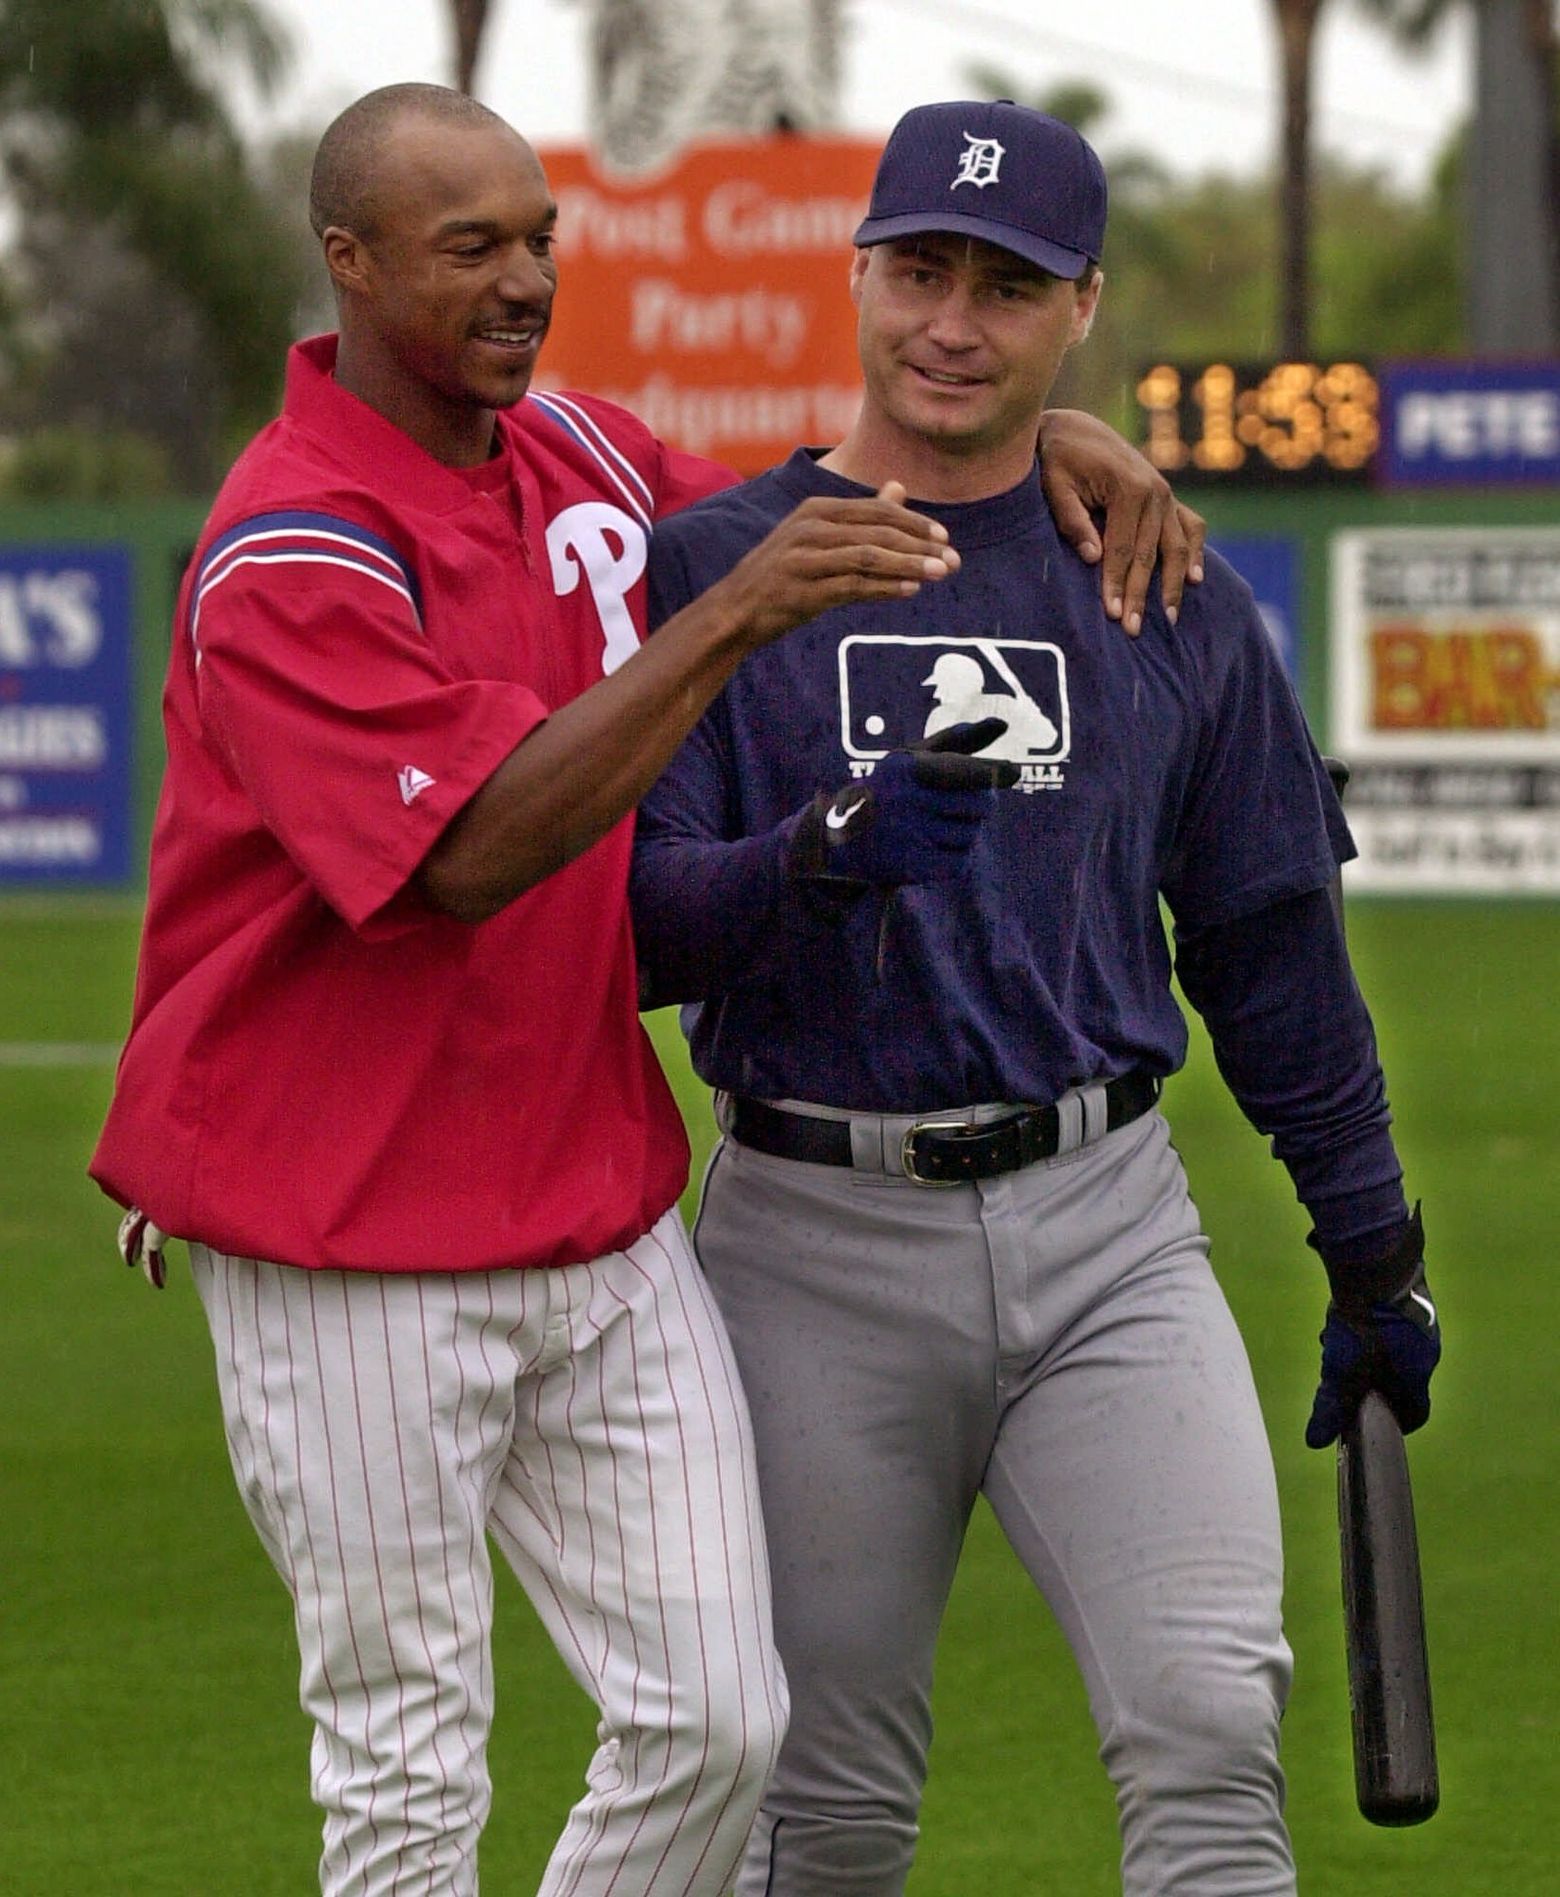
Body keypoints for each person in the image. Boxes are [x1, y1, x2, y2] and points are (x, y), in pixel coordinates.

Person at [89, 83, 1208, 1897]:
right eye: (474, 248)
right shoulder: (286, 552)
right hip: (343, 1236)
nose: (528, 277)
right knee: (404, 1777)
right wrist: (728, 619)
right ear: (350, 265)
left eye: (543, 236)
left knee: (721, 1723)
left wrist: (1043, 431)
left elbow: (836, 512)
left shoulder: (582, 460)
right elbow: (468, 857)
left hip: (592, 1210)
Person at [629, 99, 1443, 1896]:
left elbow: (1270, 952)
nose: (952, 320)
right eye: (920, 267)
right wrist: (822, 847)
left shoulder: (1161, 586)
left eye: (1009, 285)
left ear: (1083, 308)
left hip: (1108, 1237)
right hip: (806, 1237)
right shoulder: (714, 570)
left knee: (1213, 1728)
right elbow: (630, 935)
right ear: (857, 272)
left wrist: (1373, 1253)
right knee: (824, 1806)